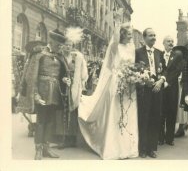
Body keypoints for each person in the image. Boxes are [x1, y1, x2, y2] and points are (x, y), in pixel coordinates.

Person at [78, 10, 139, 160]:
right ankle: (113, 147)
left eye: (131, 34)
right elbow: (112, 65)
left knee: (129, 113)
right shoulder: (114, 47)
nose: (131, 37)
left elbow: (133, 65)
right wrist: (117, 22)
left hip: (130, 84)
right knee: (116, 111)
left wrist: (133, 75)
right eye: (129, 34)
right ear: (122, 34)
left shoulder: (132, 48)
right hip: (117, 81)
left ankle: (127, 147)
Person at [18, 29, 71, 160]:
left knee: (51, 122)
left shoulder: (60, 57)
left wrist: (66, 80)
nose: (61, 48)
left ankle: (47, 147)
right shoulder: (39, 54)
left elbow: (63, 74)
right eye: (59, 45)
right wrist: (35, 95)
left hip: (55, 94)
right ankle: (38, 149)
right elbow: (31, 77)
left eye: (62, 46)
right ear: (51, 43)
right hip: (41, 94)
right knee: (41, 121)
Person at [135, 28, 167, 158]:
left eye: (155, 35)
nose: (153, 37)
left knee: (155, 118)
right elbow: (135, 68)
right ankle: (142, 148)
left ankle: (151, 148)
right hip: (144, 90)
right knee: (144, 118)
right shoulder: (137, 52)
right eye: (150, 35)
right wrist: (144, 79)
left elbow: (165, 70)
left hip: (157, 90)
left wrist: (161, 80)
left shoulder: (159, 53)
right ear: (144, 38)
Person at [54, 37, 88, 149]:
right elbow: (56, 71)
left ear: (72, 46)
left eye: (70, 45)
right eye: (66, 45)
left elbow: (84, 74)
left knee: (73, 112)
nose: (68, 47)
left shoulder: (78, 57)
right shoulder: (59, 57)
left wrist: (78, 83)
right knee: (62, 112)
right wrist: (62, 79)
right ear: (63, 45)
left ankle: (72, 139)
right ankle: (62, 138)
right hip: (61, 87)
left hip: (74, 88)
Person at [159, 36, 188, 146]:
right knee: (161, 112)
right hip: (161, 86)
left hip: (172, 86)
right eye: (168, 41)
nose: (170, 43)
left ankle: (169, 138)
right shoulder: (159, 54)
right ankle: (160, 137)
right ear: (163, 43)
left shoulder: (178, 55)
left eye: (172, 41)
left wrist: (167, 81)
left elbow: (177, 70)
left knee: (171, 111)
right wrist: (162, 81)